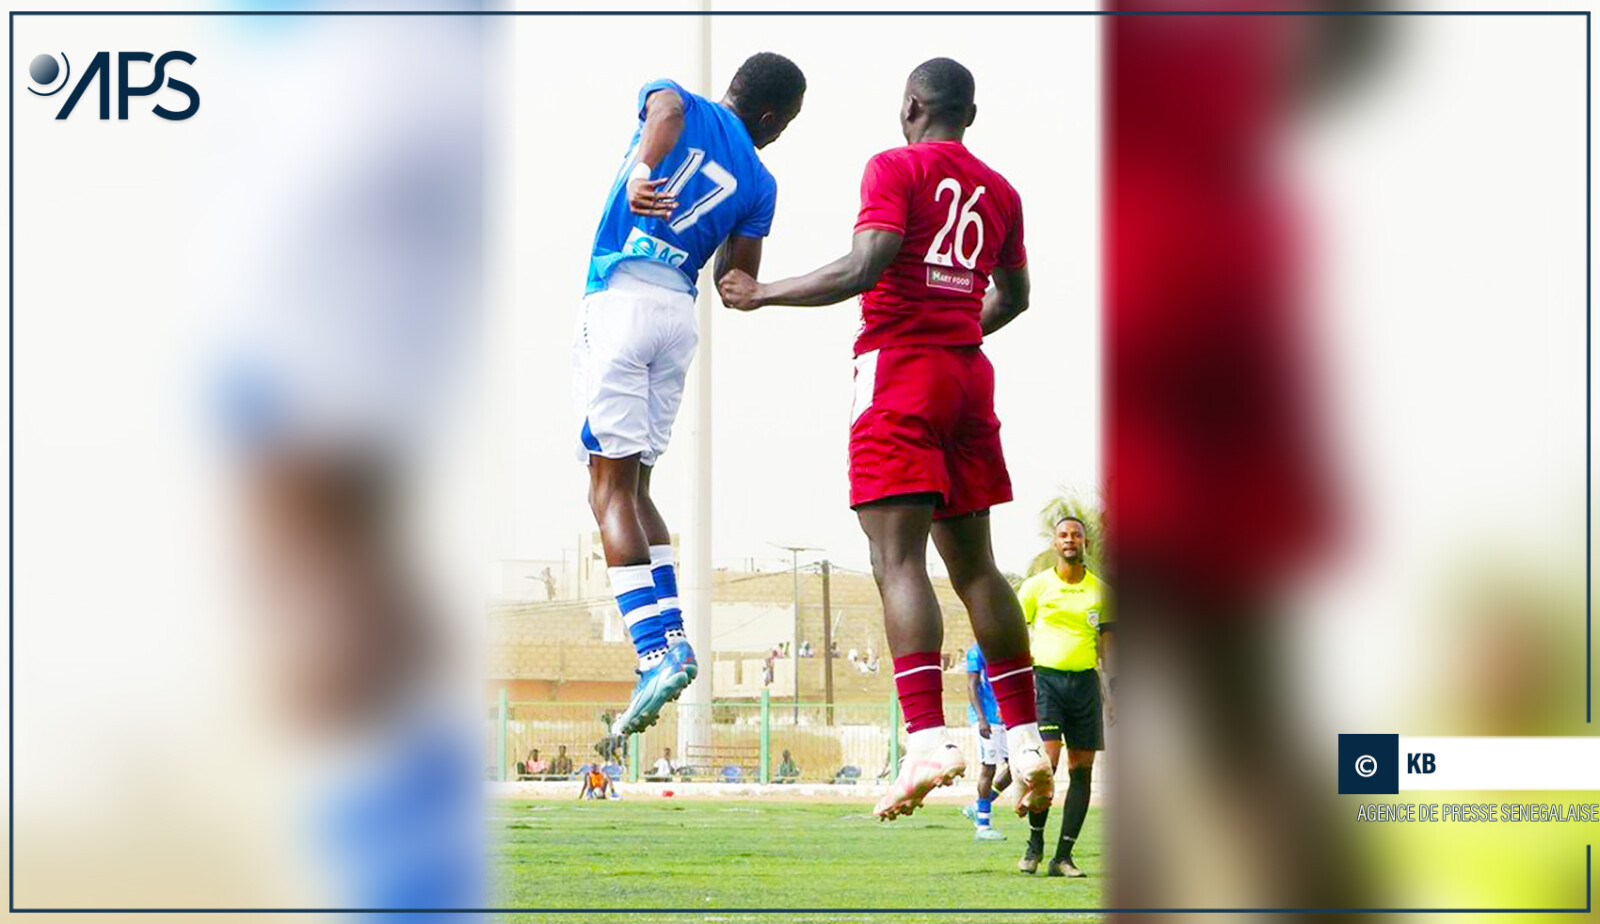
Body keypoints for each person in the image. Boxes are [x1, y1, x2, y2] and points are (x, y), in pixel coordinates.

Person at [717, 57, 1052, 822]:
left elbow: (869, 262)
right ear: (971, 113)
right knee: (978, 568)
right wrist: (959, 326)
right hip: (969, 375)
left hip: (901, 371)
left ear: (911, 106)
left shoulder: (894, 165)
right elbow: (1019, 295)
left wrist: (762, 292)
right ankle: (1027, 739)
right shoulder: (1001, 192)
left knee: (895, 557)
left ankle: (930, 740)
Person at [576, 53, 807, 738]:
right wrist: (754, 287)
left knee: (605, 490)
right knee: (639, 488)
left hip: (621, 297)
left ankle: (652, 652)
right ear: (769, 117)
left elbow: (666, 113)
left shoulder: (679, 100)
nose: (777, 136)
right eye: (784, 125)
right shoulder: (761, 179)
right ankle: (673, 637)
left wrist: (644, 173)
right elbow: (736, 285)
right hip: (678, 317)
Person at [1015, 515, 1115, 878]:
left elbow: (1108, 644)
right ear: (1054, 543)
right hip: (1046, 682)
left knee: (1081, 770)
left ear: (1084, 542)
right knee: (1046, 766)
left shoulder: (1102, 591)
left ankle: (1063, 856)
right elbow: (1012, 632)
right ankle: (1035, 844)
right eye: (1063, 535)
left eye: (1076, 534)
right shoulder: (1035, 587)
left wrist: (1114, 690)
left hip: (1086, 685)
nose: (1069, 539)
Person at [963, 643, 1013, 841]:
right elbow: (971, 685)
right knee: (989, 768)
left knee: (1015, 767)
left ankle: (977, 806)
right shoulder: (976, 652)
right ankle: (983, 826)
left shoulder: (1006, 648)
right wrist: (982, 718)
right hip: (986, 718)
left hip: (1004, 717)